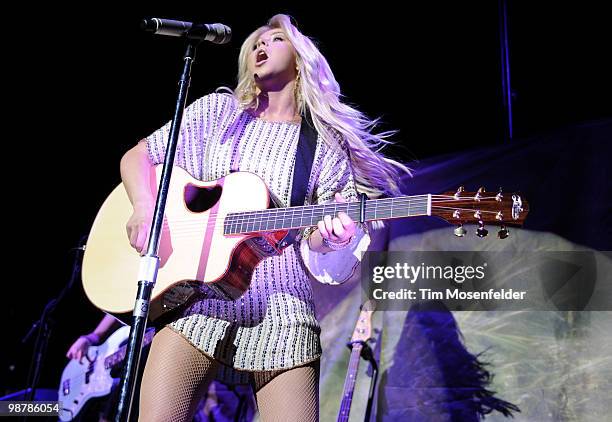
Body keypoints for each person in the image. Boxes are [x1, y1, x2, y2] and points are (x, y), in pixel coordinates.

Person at [119, 14, 408, 422]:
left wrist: (330, 239)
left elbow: (320, 250)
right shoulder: (218, 113)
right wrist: (145, 206)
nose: (260, 46)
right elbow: (139, 156)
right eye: (255, 41)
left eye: (274, 39)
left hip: (282, 305)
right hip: (198, 296)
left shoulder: (323, 144)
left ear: (300, 58)